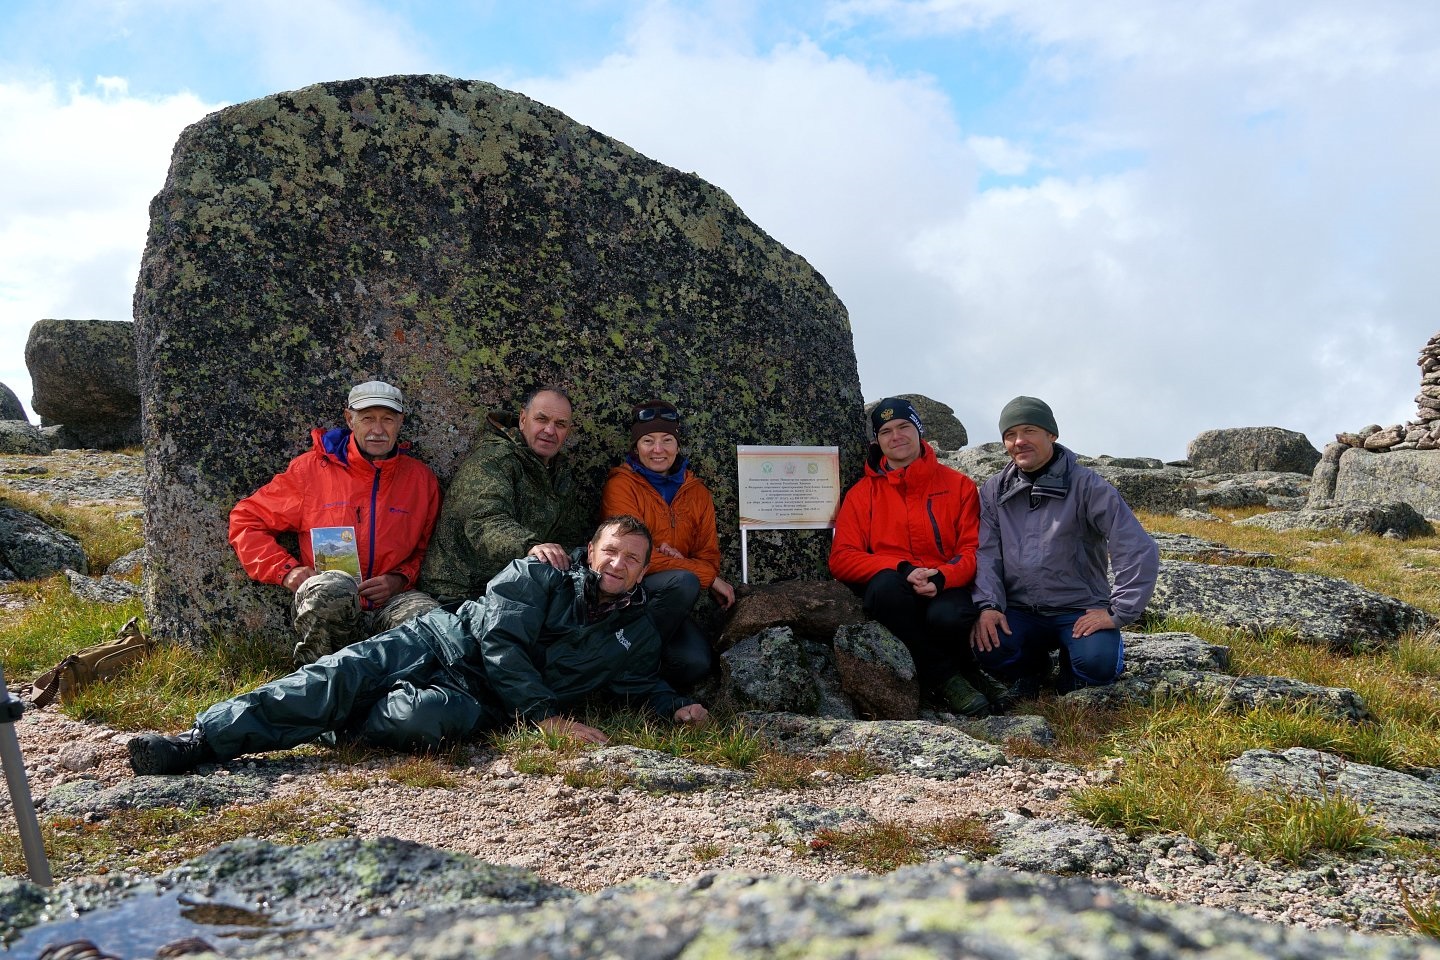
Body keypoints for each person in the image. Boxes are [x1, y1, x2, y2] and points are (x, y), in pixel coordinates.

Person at [128, 517, 710, 775]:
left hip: (478, 701)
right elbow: (502, 643)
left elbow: (639, 684)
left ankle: (333, 726)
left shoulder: (634, 633)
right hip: (437, 643)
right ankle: (201, 740)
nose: (618, 563)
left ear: (642, 573)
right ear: (591, 551)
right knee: (337, 677)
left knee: (421, 720)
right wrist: (548, 718)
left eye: (632, 559)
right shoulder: (535, 576)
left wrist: (673, 706)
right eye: (611, 551)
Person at [229, 380, 441, 666]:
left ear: (400, 422)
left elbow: (428, 549)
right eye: (367, 419)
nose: (378, 430)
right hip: (331, 602)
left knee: (431, 622)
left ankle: (401, 696)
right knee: (332, 589)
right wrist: (285, 570)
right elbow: (246, 519)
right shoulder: (310, 471)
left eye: (388, 419)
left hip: (392, 601)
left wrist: (400, 578)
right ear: (349, 419)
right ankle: (319, 683)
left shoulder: (421, 480)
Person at [970, 396, 1160, 697]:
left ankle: (1079, 666)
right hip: (1020, 609)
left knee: (1098, 664)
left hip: (1079, 608)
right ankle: (1032, 668)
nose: (1019, 441)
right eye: (1010, 434)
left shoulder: (1087, 485)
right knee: (988, 648)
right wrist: (989, 606)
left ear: (1051, 435)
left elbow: (1136, 546)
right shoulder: (995, 490)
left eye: (1029, 430)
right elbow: (986, 552)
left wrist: (1116, 612)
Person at [829, 397, 1001, 717]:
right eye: (886, 431)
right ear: (877, 441)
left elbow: (973, 550)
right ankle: (947, 678)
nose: (896, 436)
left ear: (919, 431)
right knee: (884, 590)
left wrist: (942, 577)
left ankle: (971, 670)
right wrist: (901, 567)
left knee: (948, 616)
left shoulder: (958, 485)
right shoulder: (861, 493)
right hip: (897, 588)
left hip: (946, 584)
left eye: (904, 427)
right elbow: (842, 557)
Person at [601, 400, 735, 689]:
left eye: (667, 440)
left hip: (665, 606)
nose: (658, 450)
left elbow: (709, 558)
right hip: (624, 595)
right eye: (648, 441)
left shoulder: (697, 492)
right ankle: (617, 666)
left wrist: (684, 566)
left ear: (677, 444)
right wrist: (701, 575)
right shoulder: (622, 486)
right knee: (684, 581)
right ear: (636, 446)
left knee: (696, 662)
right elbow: (627, 557)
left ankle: (635, 680)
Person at [418, 387, 590, 604]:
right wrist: (531, 547)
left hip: (516, 592)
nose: (549, 430)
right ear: (523, 419)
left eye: (560, 424)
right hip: (458, 592)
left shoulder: (560, 474)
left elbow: (568, 536)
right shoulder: (494, 460)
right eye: (541, 419)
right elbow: (484, 522)